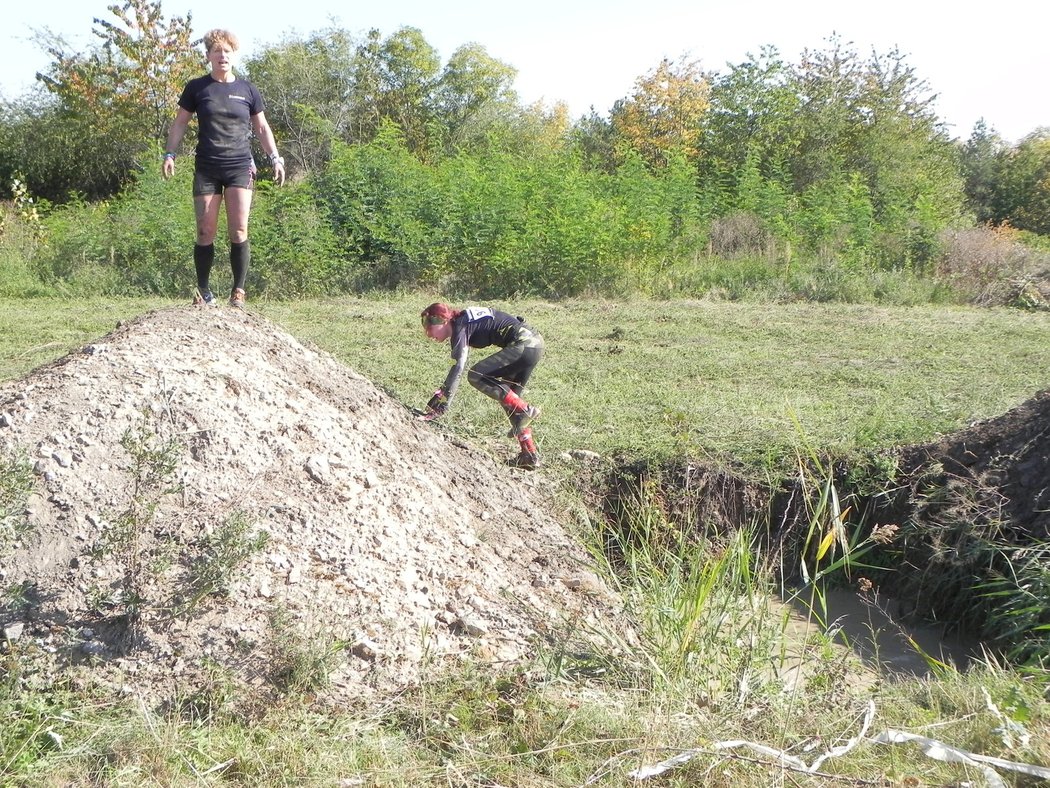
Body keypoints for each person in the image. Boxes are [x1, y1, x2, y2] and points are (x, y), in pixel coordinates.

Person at [161, 28, 285, 309]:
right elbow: (180, 123)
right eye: (217, 51)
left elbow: (262, 127)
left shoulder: (247, 90)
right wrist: (170, 153)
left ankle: (238, 291)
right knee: (205, 230)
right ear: (208, 57)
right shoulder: (197, 88)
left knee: (238, 231)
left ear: (233, 55)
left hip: (239, 166)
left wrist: (275, 158)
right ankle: (203, 291)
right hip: (207, 166)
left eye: (227, 51)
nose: (222, 56)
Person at [420, 303, 545, 469]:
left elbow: (458, 367)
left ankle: (525, 409)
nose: (427, 333)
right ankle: (529, 455)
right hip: (533, 343)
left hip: (525, 343)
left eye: (428, 325)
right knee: (509, 400)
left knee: (476, 375)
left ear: (442, 320)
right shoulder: (462, 322)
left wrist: (442, 404)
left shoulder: (459, 325)